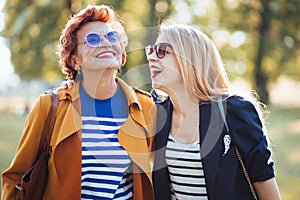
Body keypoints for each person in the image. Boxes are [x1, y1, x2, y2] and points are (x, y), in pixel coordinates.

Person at [2, 4, 156, 200]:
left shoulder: (146, 107)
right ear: (75, 61)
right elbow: (15, 177)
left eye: (111, 37)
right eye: (92, 39)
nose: (106, 43)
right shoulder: (49, 106)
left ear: (122, 54)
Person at [145, 22, 281, 200]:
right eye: (151, 51)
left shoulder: (235, 110)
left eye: (162, 50)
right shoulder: (157, 113)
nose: (152, 58)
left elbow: (264, 183)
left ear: (190, 58)